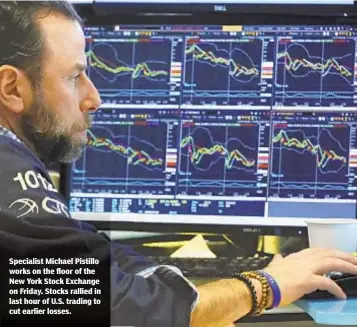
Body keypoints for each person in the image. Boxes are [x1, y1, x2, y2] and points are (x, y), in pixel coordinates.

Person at [0, 2, 356, 327]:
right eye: (75, 77)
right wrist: (267, 286)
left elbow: (96, 261)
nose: (94, 98)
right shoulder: (9, 174)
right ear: (11, 88)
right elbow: (130, 312)